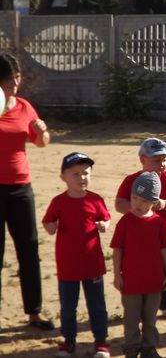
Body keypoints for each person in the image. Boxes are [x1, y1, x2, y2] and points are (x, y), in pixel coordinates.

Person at [0, 51, 53, 330]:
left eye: (17, 78)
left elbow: (41, 142)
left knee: (29, 250)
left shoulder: (24, 106)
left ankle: (34, 312)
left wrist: (42, 131)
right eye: (10, 80)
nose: (16, 84)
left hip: (21, 187)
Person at [42, 152, 111, 358]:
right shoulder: (58, 202)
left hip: (92, 263)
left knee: (97, 305)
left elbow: (105, 218)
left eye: (86, 173)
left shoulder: (95, 199)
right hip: (67, 264)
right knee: (68, 307)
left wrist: (103, 225)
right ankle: (68, 342)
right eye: (75, 174)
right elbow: (48, 222)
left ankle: (101, 342)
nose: (82, 178)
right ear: (63, 176)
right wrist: (51, 226)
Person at [115, 138, 166, 319]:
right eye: (156, 160)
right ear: (142, 159)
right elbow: (119, 203)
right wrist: (138, 209)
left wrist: (164, 204)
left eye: (164, 160)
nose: (162, 164)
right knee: (144, 266)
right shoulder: (132, 180)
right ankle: (143, 302)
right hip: (139, 234)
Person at [110, 172, 166, 358]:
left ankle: (149, 348)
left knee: (150, 318)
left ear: (154, 202)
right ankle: (131, 348)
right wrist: (117, 275)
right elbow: (117, 250)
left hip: (154, 280)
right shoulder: (125, 223)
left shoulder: (158, 223)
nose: (138, 204)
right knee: (131, 318)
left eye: (144, 201)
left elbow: (165, 251)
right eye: (134, 198)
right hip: (131, 281)